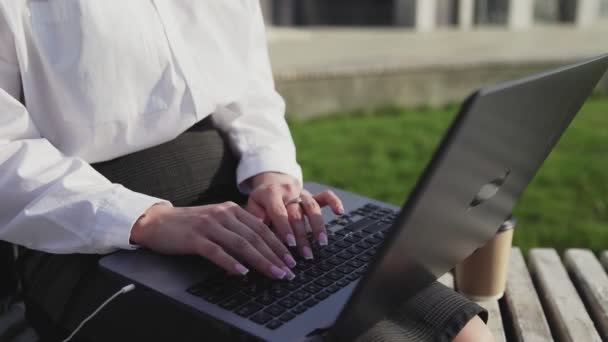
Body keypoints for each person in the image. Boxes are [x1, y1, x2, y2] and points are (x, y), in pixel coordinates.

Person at [0, 2, 492, 341]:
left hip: (235, 202)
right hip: (81, 232)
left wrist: (271, 172)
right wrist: (146, 219)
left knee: (461, 330)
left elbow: (248, 85)